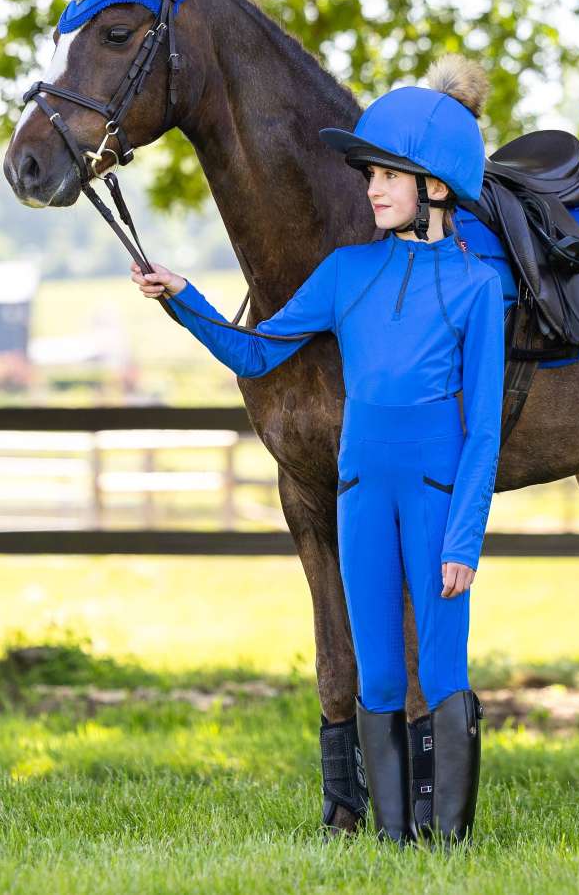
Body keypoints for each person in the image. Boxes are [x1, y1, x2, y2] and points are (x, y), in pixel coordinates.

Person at [130, 55, 505, 846]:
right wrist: (185, 299)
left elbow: (484, 431)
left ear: (435, 187)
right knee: (376, 673)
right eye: (369, 173)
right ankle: (396, 839)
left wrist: (465, 537)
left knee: (438, 673)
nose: (370, 188)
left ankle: (450, 839)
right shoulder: (346, 272)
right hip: (360, 491)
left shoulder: (476, 289)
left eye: (389, 176)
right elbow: (258, 354)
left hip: (437, 497)